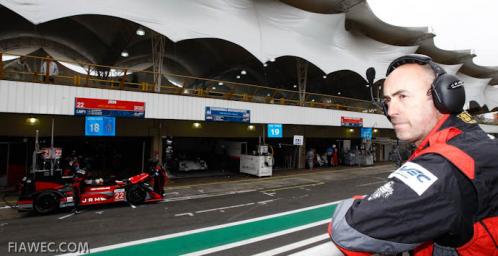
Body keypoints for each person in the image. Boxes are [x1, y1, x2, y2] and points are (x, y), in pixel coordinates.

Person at [328, 54, 498, 255]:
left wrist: (375, 200)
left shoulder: (444, 166)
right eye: (387, 101)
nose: (391, 111)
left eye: (403, 96)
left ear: (443, 97)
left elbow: (348, 230)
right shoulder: (478, 142)